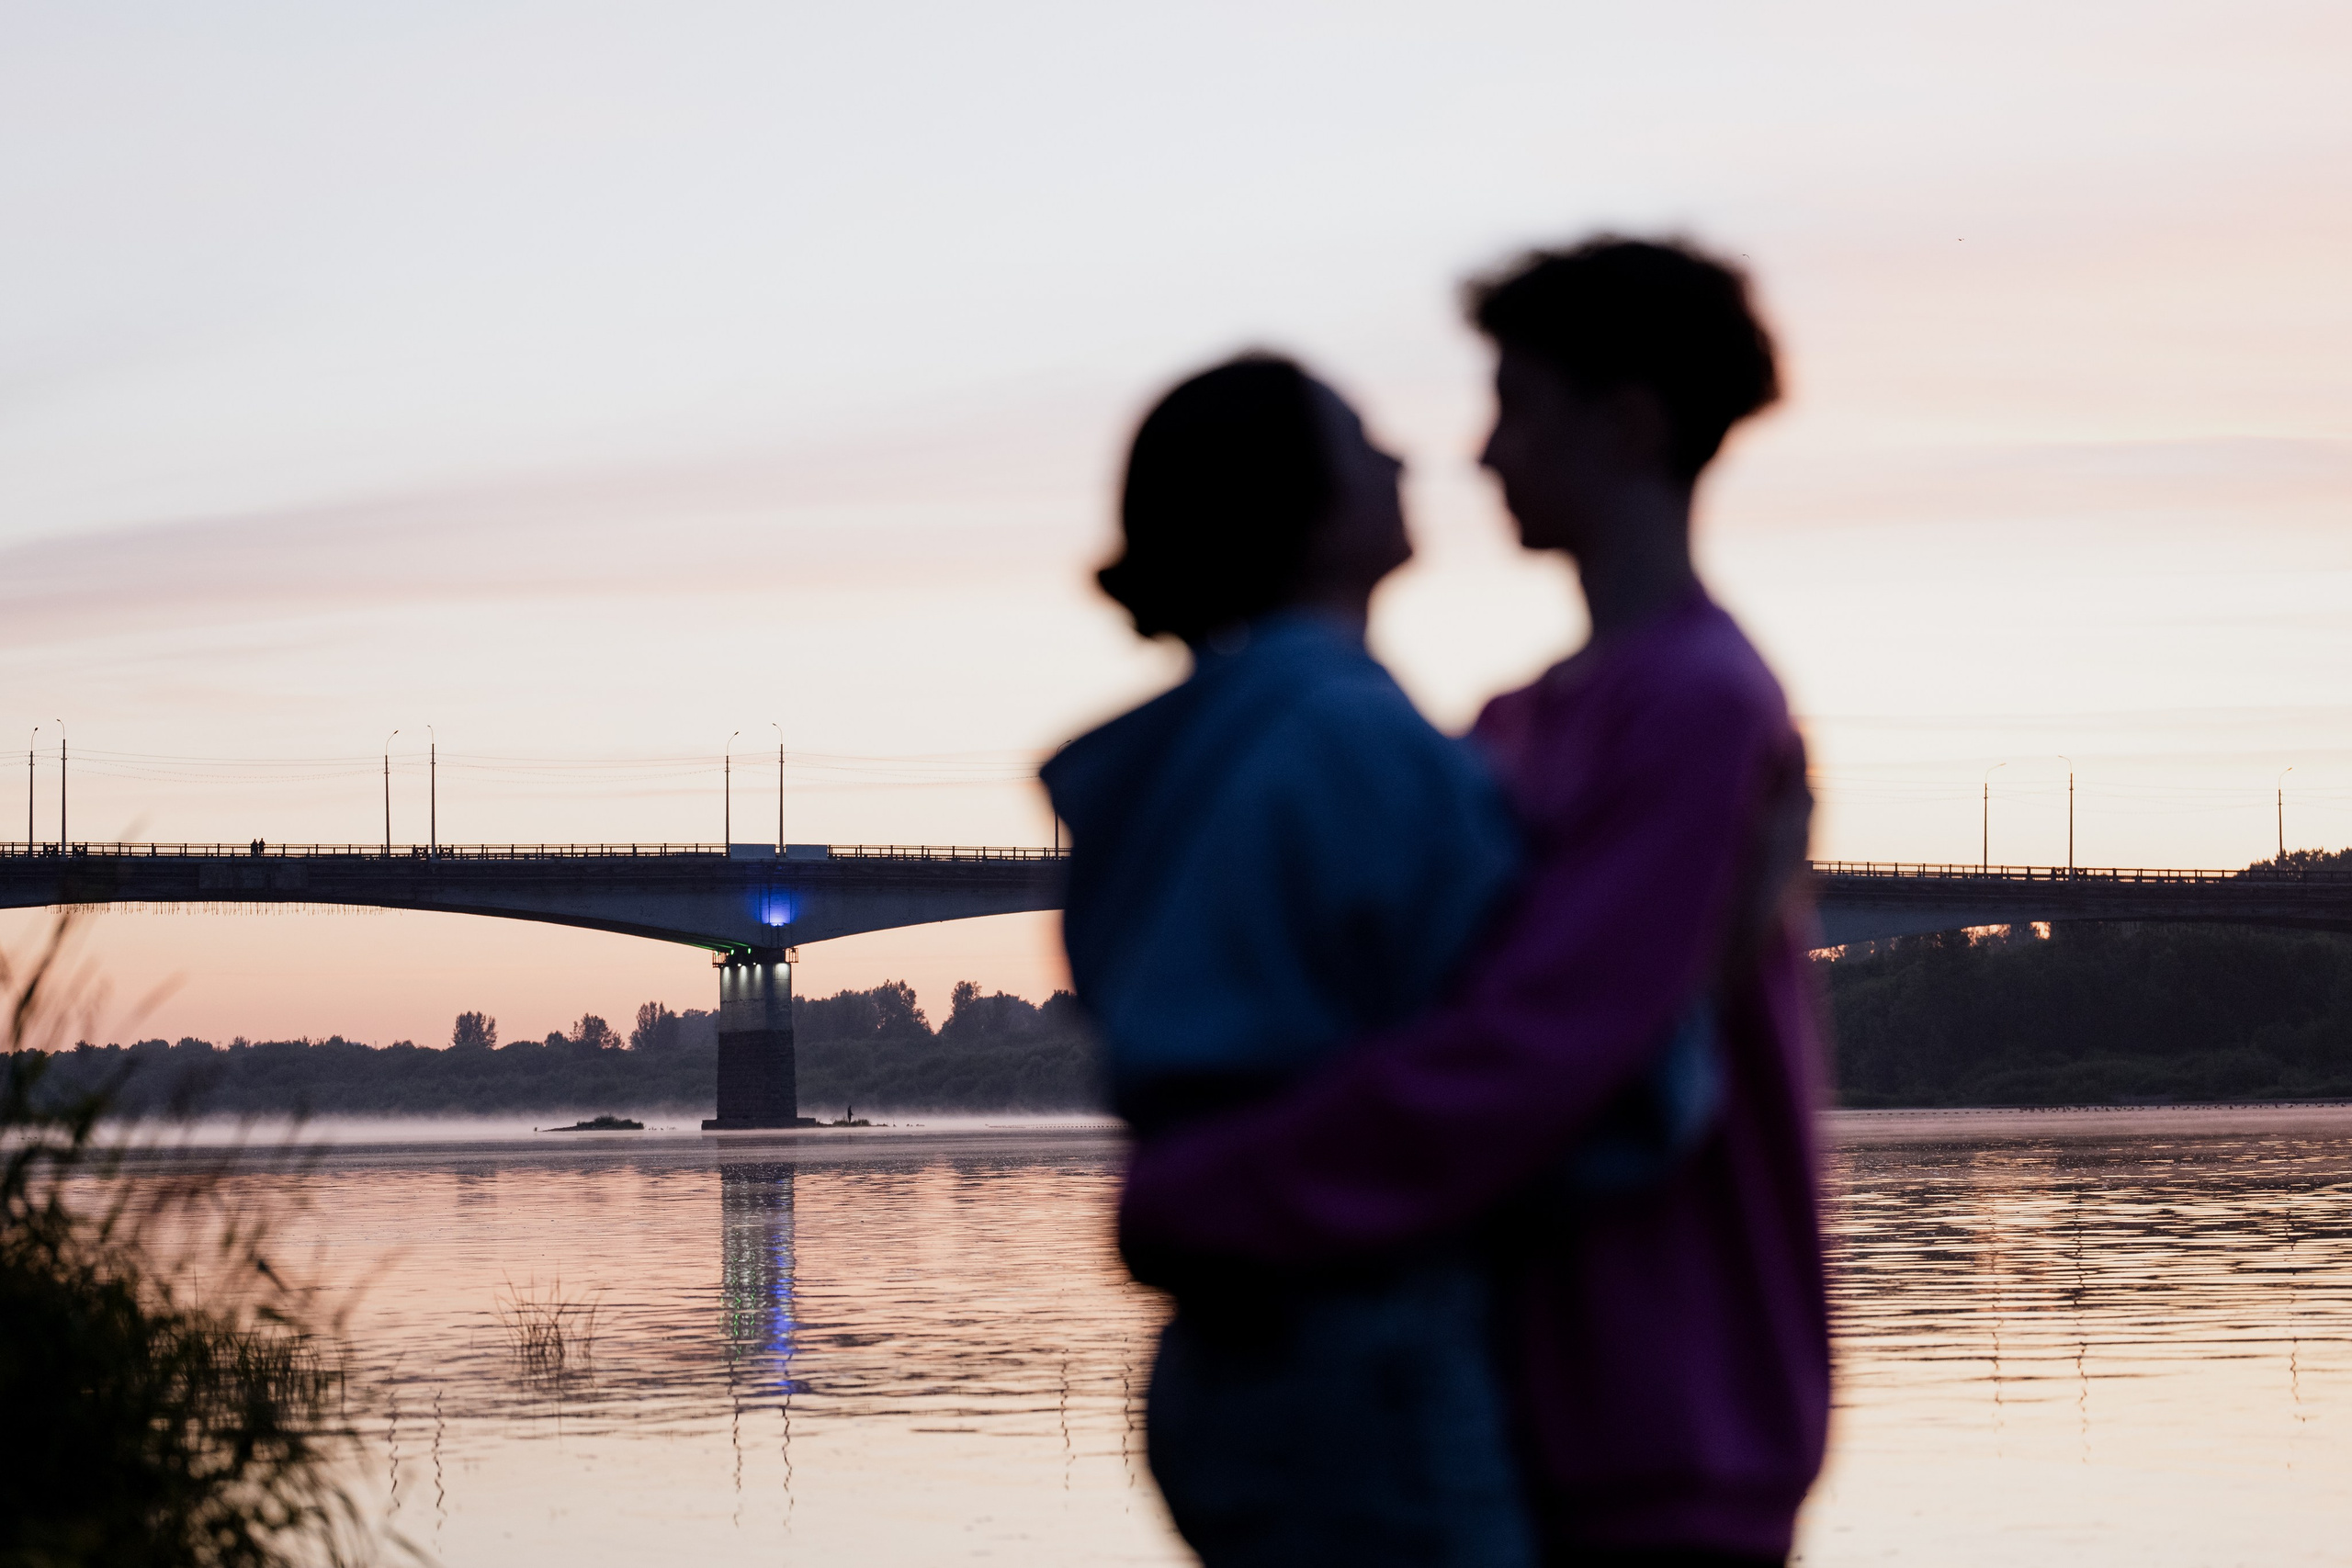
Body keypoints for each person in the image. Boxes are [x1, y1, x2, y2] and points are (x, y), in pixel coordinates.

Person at [1118, 239, 1830, 1568]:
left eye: (1515, 406)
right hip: (1531, 1403)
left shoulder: (1696, 707)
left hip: (1666, 1412)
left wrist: (1212, 1192)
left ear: (1627, 424)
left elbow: (1535, 1057)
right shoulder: (1509, 725)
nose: (1484, 452)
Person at [1042, 355, 1534, 1567]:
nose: (1405, 458)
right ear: (1305, 512)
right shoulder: (1356, 738)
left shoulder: (1160, 774)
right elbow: (1540, 1042)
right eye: (1364, 439)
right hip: (1370, 1357)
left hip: (1217, 1362)